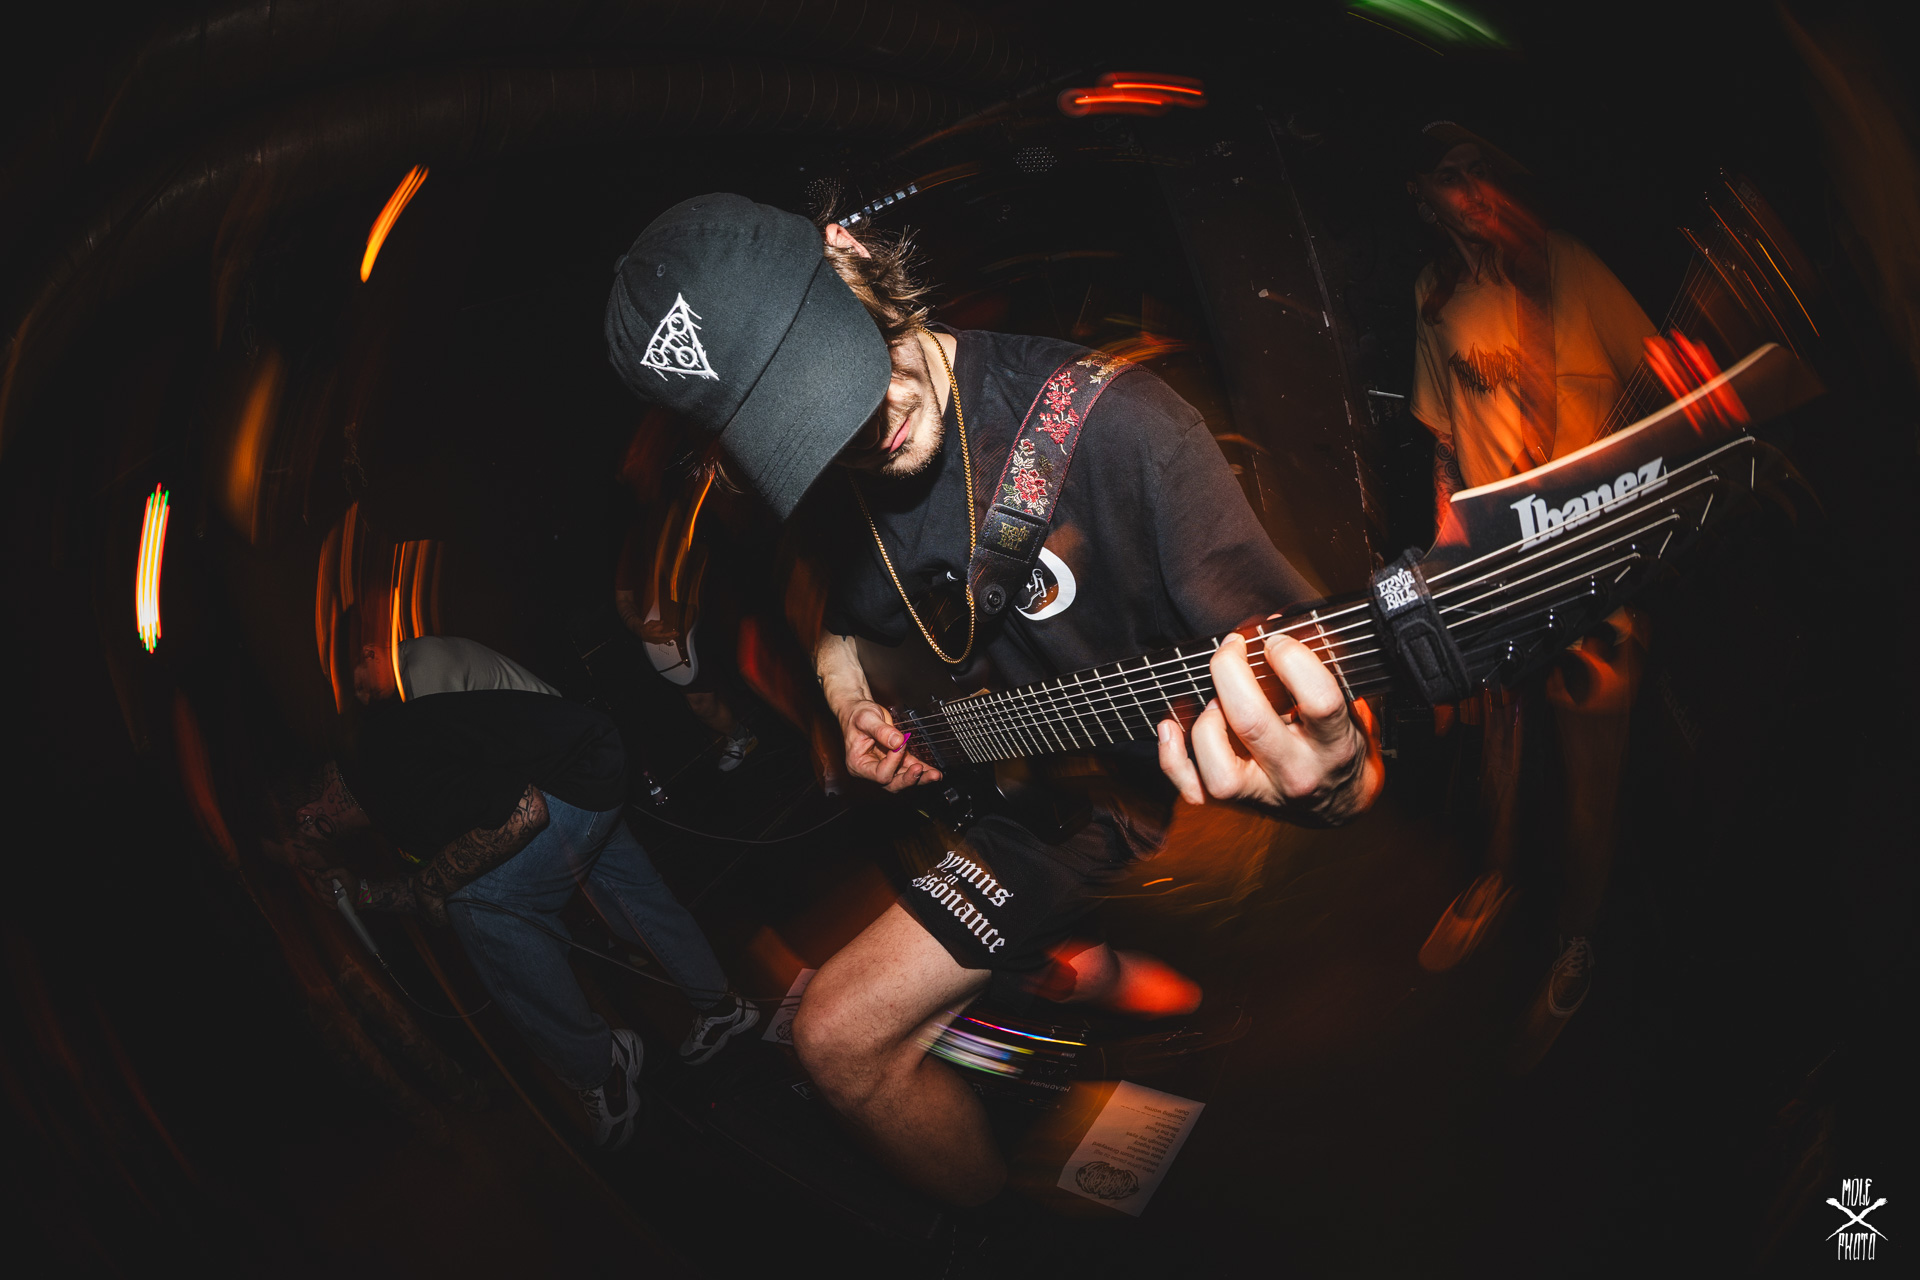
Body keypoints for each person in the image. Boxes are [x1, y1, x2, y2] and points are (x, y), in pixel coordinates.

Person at [603, 193, 1381, 1203]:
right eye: (799, 419)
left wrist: (1340, 778)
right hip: (987, 776)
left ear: (849, 254)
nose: (859, 428)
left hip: (1089, 792)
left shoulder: (1122, 429)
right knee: (852, 1036)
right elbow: (831, 613)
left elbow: (1320, 691)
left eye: (835, 367)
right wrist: (845, 695)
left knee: (835, 1033)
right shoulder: (824, 482)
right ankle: (1065, 987)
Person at [303, 631, 759, 1150]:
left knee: (479, 906)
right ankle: (721, 1006)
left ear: (312, 815)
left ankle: (601, 1070)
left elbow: (515, 814)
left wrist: (437, 881)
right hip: (580, 758)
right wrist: (365, 892)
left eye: (357, 685)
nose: (362, 698)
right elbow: (452, 858)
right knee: (629, 893)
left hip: (554, 782)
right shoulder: (390, 751)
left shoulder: (412, 697)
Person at [1404, 121, 1649, 1061]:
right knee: (1503, 737)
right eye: (1448, 176)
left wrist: (1690, 382)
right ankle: (1499, 875)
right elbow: (1440, 438)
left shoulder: (1566, 266)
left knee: (1592, 758)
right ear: (1421, 195)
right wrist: (1444, 555)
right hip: (1496, 569)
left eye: (1481, 170)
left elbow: (1657, 374)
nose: (1471, 190)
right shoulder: (1433, 295)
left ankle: (1578, 934)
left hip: (1591, 557)